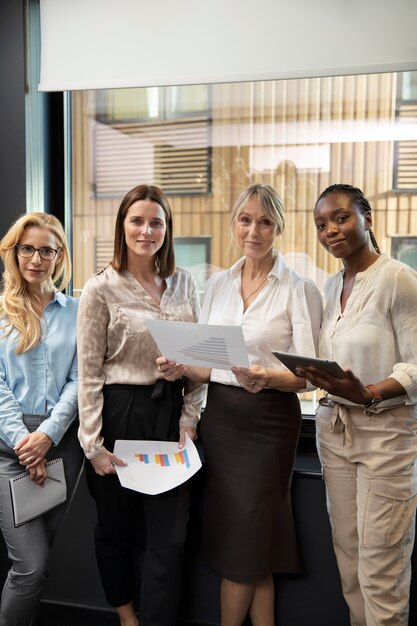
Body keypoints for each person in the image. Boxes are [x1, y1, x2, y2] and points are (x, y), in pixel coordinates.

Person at [157, 183, 322, 626]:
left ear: (279, 228)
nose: (254, 230)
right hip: (223, 422)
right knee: (252, 550)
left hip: (269, 425)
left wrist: (269, 377)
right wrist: (182, 367)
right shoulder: (219, 284)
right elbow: (211, 366)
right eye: (246, 220)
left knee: (242, 547)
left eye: (265, 221)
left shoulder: (297, 288)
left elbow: (308, 376)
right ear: (235, 224)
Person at [77, 184, 205, 626]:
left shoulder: (186, 282)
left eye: (156, 222)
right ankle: (127, 617)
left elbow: (199, 358)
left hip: (170, 416)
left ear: (167, 229)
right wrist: (92, 444)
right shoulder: (100, 288)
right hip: (118, 414)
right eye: (137, 220)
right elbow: (89, 372)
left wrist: (189, 419)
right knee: (117, 530)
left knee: (170, 537)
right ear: (122, 226)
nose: (146, 230)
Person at [297, 184, 417, 626]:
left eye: (341, 218)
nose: (331, 230)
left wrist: (367, 393)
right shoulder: (331, 287)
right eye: (321, 225)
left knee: (381, 570)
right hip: (334, 434)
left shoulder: (397, 279)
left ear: (368, 218)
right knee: (348, 562)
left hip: (385, 439)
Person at [0, 212, 83, 626]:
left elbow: (80, 379)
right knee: (30, 565)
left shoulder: (78, 311)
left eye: (46, 250)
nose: (36, 258)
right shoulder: (0, 313)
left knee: (41, 561)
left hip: (62, 446)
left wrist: (47, 435)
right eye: (27, 249)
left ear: (59, 255)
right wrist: (26, 443)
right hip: (9, 449)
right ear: (14, 253)